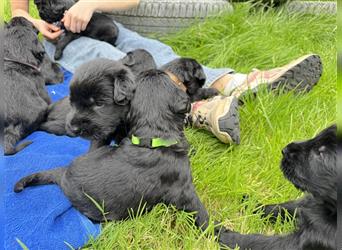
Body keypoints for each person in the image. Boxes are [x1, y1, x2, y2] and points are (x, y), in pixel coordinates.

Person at [10, 0, 322, 145]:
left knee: (154, 51)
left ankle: (233, 82)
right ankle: (198, 108)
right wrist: (33, 23)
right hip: (57, 38)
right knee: (111, 63)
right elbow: (18, 11)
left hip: (103, 22)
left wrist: (90, 4)